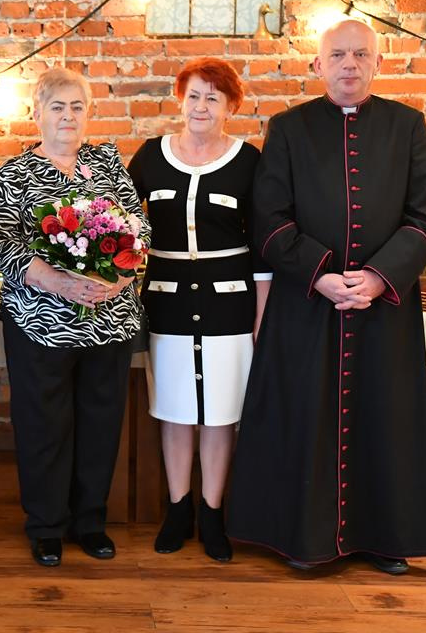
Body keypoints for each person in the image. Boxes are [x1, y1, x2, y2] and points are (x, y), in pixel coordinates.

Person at [228, 19, 426, 575]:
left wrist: (377, 278)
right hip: (307, 302)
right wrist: (321, 274)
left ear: (378, 63)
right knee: (305, 415)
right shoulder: (288, 128)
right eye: (339, 55)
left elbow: (425, 217)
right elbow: (269, 219)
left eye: (361, 55)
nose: (350, 64)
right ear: (318, 65)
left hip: (383, 306)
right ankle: (303, 537)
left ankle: (385, 538)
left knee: (384, 417)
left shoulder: (407, 126)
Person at [0, 67, 149, 568]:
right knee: (44, 426)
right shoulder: (15, 174)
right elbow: (2, 244)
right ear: (37, 114)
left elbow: (139, 227)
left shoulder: (107, 163)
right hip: (40, 322)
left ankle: (90, 522)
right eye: (57, 107)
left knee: (101, 422)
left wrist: (120, 275)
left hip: (109, 319)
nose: (68, 116)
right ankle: (46, 525)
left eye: (77, 107)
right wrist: (59, 282)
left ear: (88, 114)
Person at [127, 58, 270, 562]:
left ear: (231, 106)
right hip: (166, 301)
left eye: (213, 97)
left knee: (219, 414)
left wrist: (261, 317)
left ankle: (212, 512)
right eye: (193, 95)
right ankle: (177, 509)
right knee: (175, 410)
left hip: (229, 304)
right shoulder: (151, 156)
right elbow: (122, 226)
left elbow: (263, 249)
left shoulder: (250, 162)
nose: (201, 106)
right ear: (180, 100)